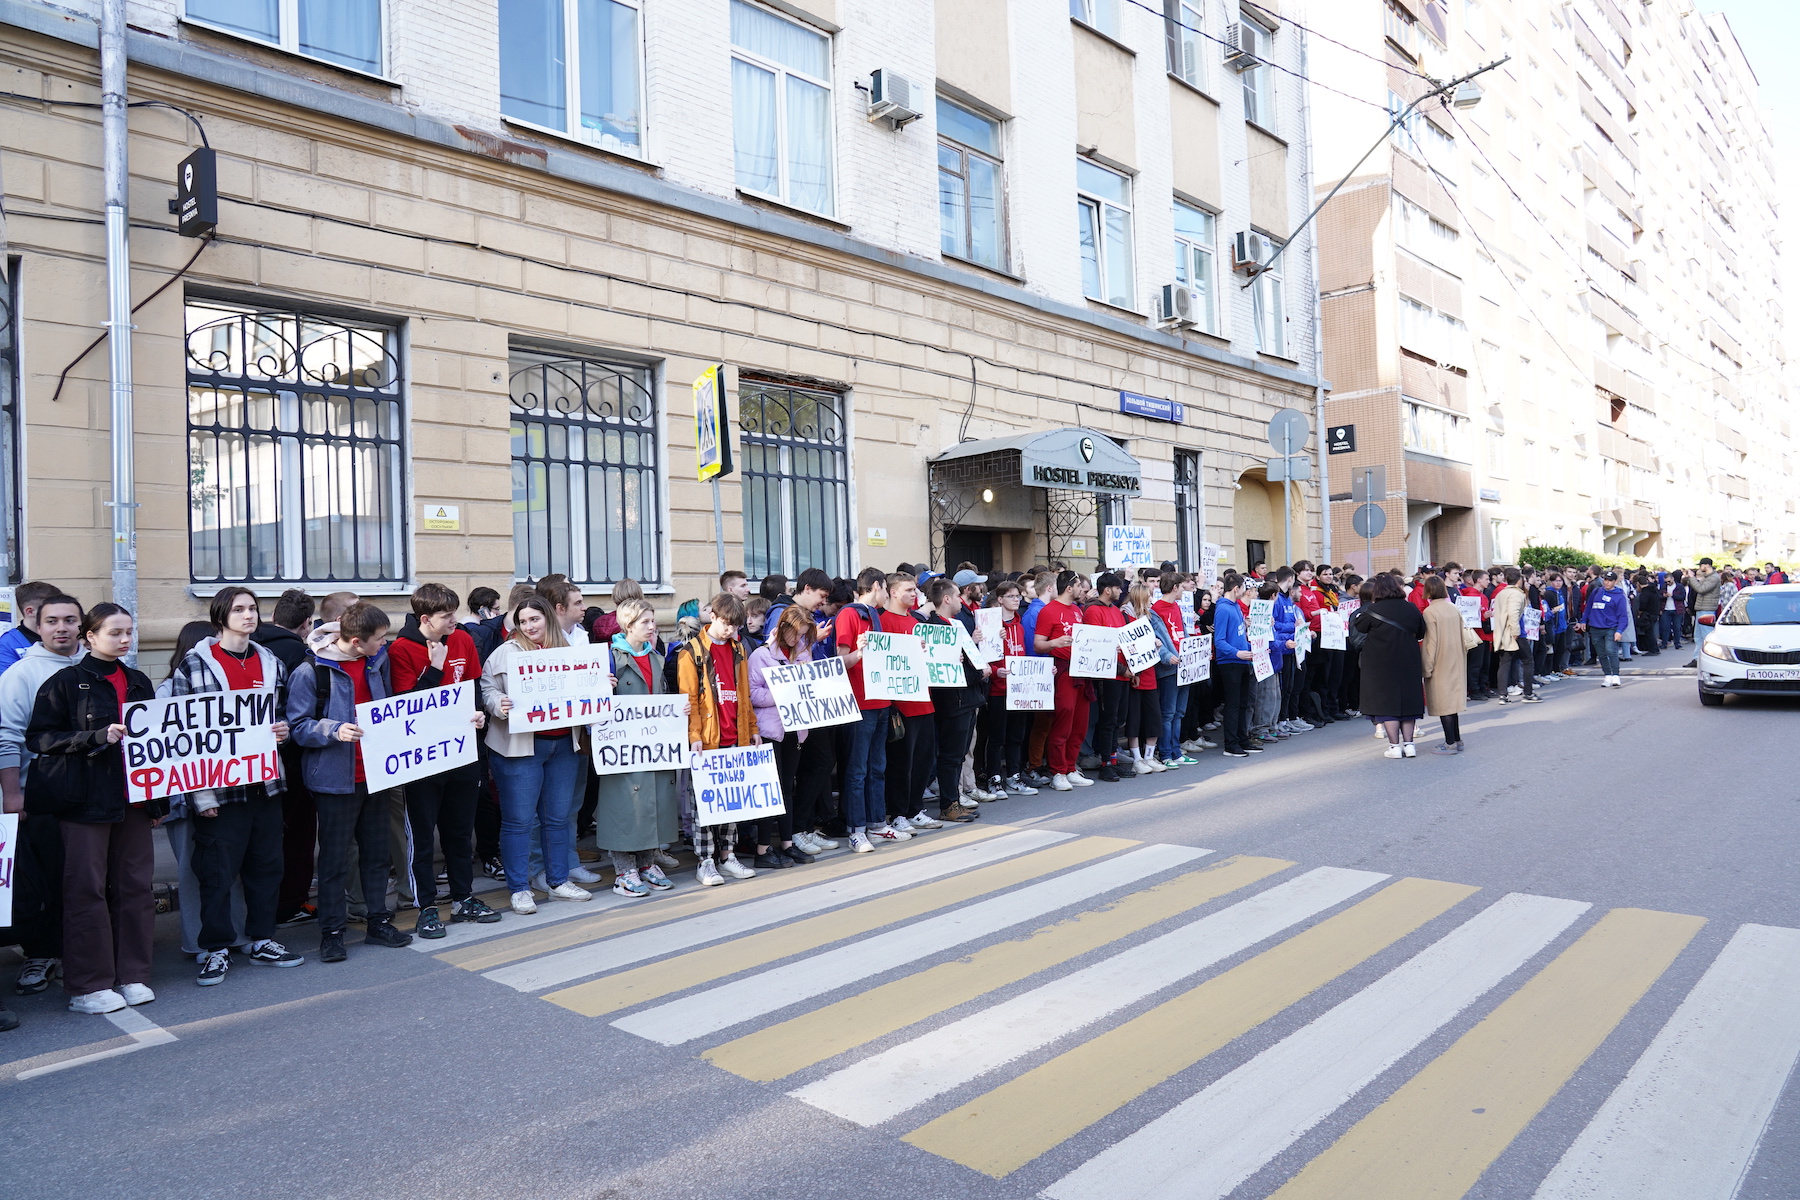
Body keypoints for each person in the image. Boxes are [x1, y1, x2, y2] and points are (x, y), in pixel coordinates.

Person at [166, 587, 304, 986]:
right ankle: (216, 947)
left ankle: (262, 939)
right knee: (216, 872)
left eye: (253, 609)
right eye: (239, 609)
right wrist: (200, 795)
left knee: (266, 865)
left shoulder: (271, 660)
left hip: (265, 782)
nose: (249, 615)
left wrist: (284, 731)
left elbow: (284, 717)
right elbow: (183, 735)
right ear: (221, 615)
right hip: (219, 789)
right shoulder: (196, 666)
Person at [25, 603, 159, 1013]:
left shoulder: (137, 681)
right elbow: (39, 739)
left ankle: (133, 974)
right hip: (83, 803)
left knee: (136, 887)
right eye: (115, 632)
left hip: (132, 800)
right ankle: (89, 985)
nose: (125, 639)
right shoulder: (66, 682)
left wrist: (157, 800)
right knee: (86, 890)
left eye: (129, 631)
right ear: (91, 637)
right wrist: (94, 737)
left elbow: (158, 747)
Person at [287, 602, 418, 961]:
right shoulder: (311, 671)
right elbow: (297, 727)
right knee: (334, 860)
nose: (384, 644)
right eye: (379, 639)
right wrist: (332, 729)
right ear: (357, 641)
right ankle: (331, 933)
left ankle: (378, 921)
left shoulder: (377, 661)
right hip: (334, 781)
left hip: (377, 774)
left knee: (376, 855)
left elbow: (397, 707)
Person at [388, 583, 498, 937]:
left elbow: (471, 687)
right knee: (422, 835)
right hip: (422, 758)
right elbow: (406, 707)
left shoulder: (463, 639)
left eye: (454, 614)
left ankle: (464, 899)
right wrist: (434, 668)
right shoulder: (402, 649)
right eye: (446, 616)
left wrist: (478, 715)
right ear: (425, 619)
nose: (454, 621)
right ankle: (427, 906)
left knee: (459, 831)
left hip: (461, 750)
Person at [479, 595, 594, 913]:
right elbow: (487, 688)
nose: (529, 626)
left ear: (548, 619)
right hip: (519, 750)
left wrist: (600, 685)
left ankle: (557, 881)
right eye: (523, 621)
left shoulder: (569, 653)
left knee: (557, 819)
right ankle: (519, 888)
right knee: (519, 821)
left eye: (535, 619)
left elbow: (585, 689)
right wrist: (496, 703)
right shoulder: (504, 654)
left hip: (564, 747)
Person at [0, 592, 85, 1007]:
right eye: (53, 621)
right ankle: (40, 955)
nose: (61, 628)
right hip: (42, 796)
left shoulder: (98, 667)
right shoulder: (21, 674)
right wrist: (13, 793)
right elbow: (7, 736)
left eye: (70, 620)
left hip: (95, 797)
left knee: (84, 878)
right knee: (45, 881)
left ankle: (81, 954)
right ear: (38, 624)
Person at [596, 598, 684, 897]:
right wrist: (599, 687)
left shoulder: (656, 657)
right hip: (621, 748)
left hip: (650, 744)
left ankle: (646, 864)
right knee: (624, 806)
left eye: (652, 620)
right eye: (645, 621)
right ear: (628, 625)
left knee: (654, 803)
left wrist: (676, 712)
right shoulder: (610, 658)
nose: (652, 626)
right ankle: (624, 870)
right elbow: (592, 703)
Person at [677, 592, 758, 881]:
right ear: (712, 616)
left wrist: (753, 729)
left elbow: (744, 694)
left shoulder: (739, 649)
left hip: (734, 735)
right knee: (704, 805)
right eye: (726, 624)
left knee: (731, 800)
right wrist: (694, 734)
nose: (731, 630)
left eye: (736, 625)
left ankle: (728, 855)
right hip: (708, 739)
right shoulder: (692, 651)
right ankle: (705, 860)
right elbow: (690, 699)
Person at [834, 568, 894, 850]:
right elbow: (840, 660)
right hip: (860, 703)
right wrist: (859, 652)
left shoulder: (875, 616)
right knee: (857, 770)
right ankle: (856, 829)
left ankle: (877, 824)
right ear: (876, 586)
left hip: (880, 701)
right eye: (885, 589)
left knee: (877, 768)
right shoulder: (849, 614)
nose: (886, 595)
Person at [923, 576, 989, 821]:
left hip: (969, 698)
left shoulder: (956, 624)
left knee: (959, 754)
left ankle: (954, 800)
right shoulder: (936, 627)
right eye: (957, 595)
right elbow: (950, 671)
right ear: (947, 598)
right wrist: (979, 673)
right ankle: (948, 804)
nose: (962, 600)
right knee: (951, 754)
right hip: (955, 700)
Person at [875, 573, 932, 836]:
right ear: (894, 592)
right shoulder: (883, 621)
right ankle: (897, 813)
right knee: (901, 764)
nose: (915, 594)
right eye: (909, 590)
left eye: (916, 590)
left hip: (925, 701)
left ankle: (915, 808)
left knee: (923, 760)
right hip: (902, 704)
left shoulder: (917, 621)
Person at [1353, 572, 1427, 758]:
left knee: (1387, 703)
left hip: (1380, 663)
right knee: (1408, 700)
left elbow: (1359, 626)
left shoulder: (1373, 610)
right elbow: (1421, 631)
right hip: (1408, 659)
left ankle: (1394, 746)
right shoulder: (1410, 608)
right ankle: (1409, 744)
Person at [982, 581, 1035, 797]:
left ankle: (1014, 776)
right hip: (998, 690)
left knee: (1016, 735)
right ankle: (994, 778)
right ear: (1000, 599)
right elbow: (984, 657)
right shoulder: (990, 626)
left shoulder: (1019, 626)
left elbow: (1022, 656)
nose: (1016, 599)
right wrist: (996, 672)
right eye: (1011, 596)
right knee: (996, 737)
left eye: (1018, 596)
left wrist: (1040, 672)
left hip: (1019, 690)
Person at [1420, 576, 1468, 753]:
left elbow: (1430, 643)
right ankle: (1457, 738)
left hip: (1440, 660)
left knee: (1444, 703)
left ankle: (1449, 743)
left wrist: (1426, 667)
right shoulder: (1453, 608)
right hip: (1456, 657)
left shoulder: (1430, 612)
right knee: (1452, 703)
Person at [1212, 572, 1258, 757]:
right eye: (1243, 588)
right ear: (1236, 589)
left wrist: (1251, 649)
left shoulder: (1235, 608)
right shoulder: (1223, 609)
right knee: (1232, 704)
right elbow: (1219, 641)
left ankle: (1242, 739)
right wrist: (1238, 652)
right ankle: (1231, 744)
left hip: (1241, 659)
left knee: (1242, 703)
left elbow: (1238, 636)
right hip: (1230, 662)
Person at [1489, 569, 1540, 704]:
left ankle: (1503, 695)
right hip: (1515, 633)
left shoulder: (1501, 593)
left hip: (1502, 632)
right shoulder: (1517, 594)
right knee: (1528, 661)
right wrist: (1516, 631)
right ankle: (1528, 693)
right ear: (1519, 580)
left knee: (1504, 663)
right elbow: (1514, 613)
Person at [1582, 570, 1632, 687]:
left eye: (1610, 580)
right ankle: (1607, 675)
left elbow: (1623, 616)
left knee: (1611, 651)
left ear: (1615, 582)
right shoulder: (1596, 591)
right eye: (1605, 580)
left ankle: (1615, 675)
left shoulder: (1619, 596)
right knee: (1601, 653)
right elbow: (1588, 607)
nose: (1607, 582)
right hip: (1595, 627)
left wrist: (1619, 631)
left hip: (1611, 627)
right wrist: (1584, 620)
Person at [0, 581, 60, 677]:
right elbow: (8, 684)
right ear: (30, 611)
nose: (58, 613)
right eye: (51, 609)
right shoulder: (7, 644)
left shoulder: (65, 636)